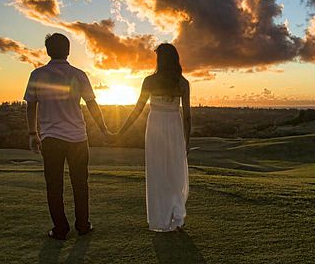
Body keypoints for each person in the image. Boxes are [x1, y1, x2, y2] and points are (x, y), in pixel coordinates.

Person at [24, 33, 112, 240]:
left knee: (54, 186)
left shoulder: (37, 74)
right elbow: (92, 105)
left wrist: (32, 133)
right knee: (80, 183)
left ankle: (60, 229)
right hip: (78, 138)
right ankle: (83, 225)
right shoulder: (79, 74)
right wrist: (104, 129)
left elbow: (31, 106)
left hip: (51, 138)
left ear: (48, 51)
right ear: (68, 50)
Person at [115, 43, 191, 232]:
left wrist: (120, 132)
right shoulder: (182, 83)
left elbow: (137, 110)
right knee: (173, 172)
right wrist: (186, 141)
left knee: (158, 172)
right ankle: (174, 215)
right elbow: (187, 117)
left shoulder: (150, 81)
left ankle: (163, 217)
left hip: (156, 125)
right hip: (173, 127)